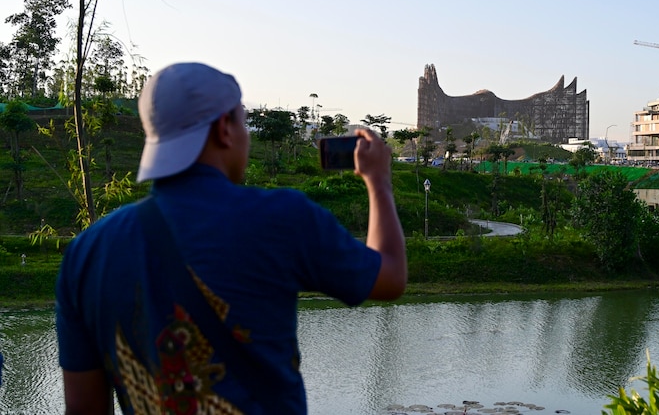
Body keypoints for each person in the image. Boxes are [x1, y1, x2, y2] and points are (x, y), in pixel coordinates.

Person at [55, 62, 406, 414]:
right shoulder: (283, 217)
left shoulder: (85, 253)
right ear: (225, 128)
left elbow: (84, 407)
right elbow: (389, 277)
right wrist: (378, 182)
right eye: (243, 121)